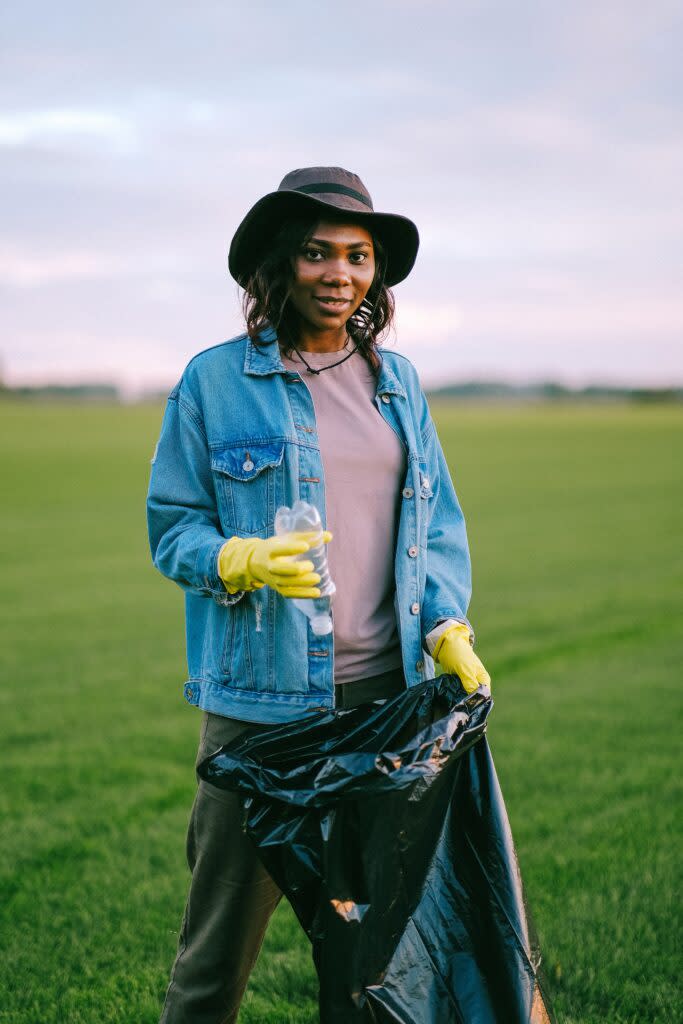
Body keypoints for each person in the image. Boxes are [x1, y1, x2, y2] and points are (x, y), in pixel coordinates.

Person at [146, 165, 491, 1024]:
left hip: (388, 704)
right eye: (315, 252)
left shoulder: (399, 382)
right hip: (262, 709)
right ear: (278, 264)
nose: (339, 273)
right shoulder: (214, 380)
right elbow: (172, 528)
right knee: (216, 948)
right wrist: (240, 559)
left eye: (357, 255)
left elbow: (436, 521)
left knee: (368, 945)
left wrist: (447, 624)